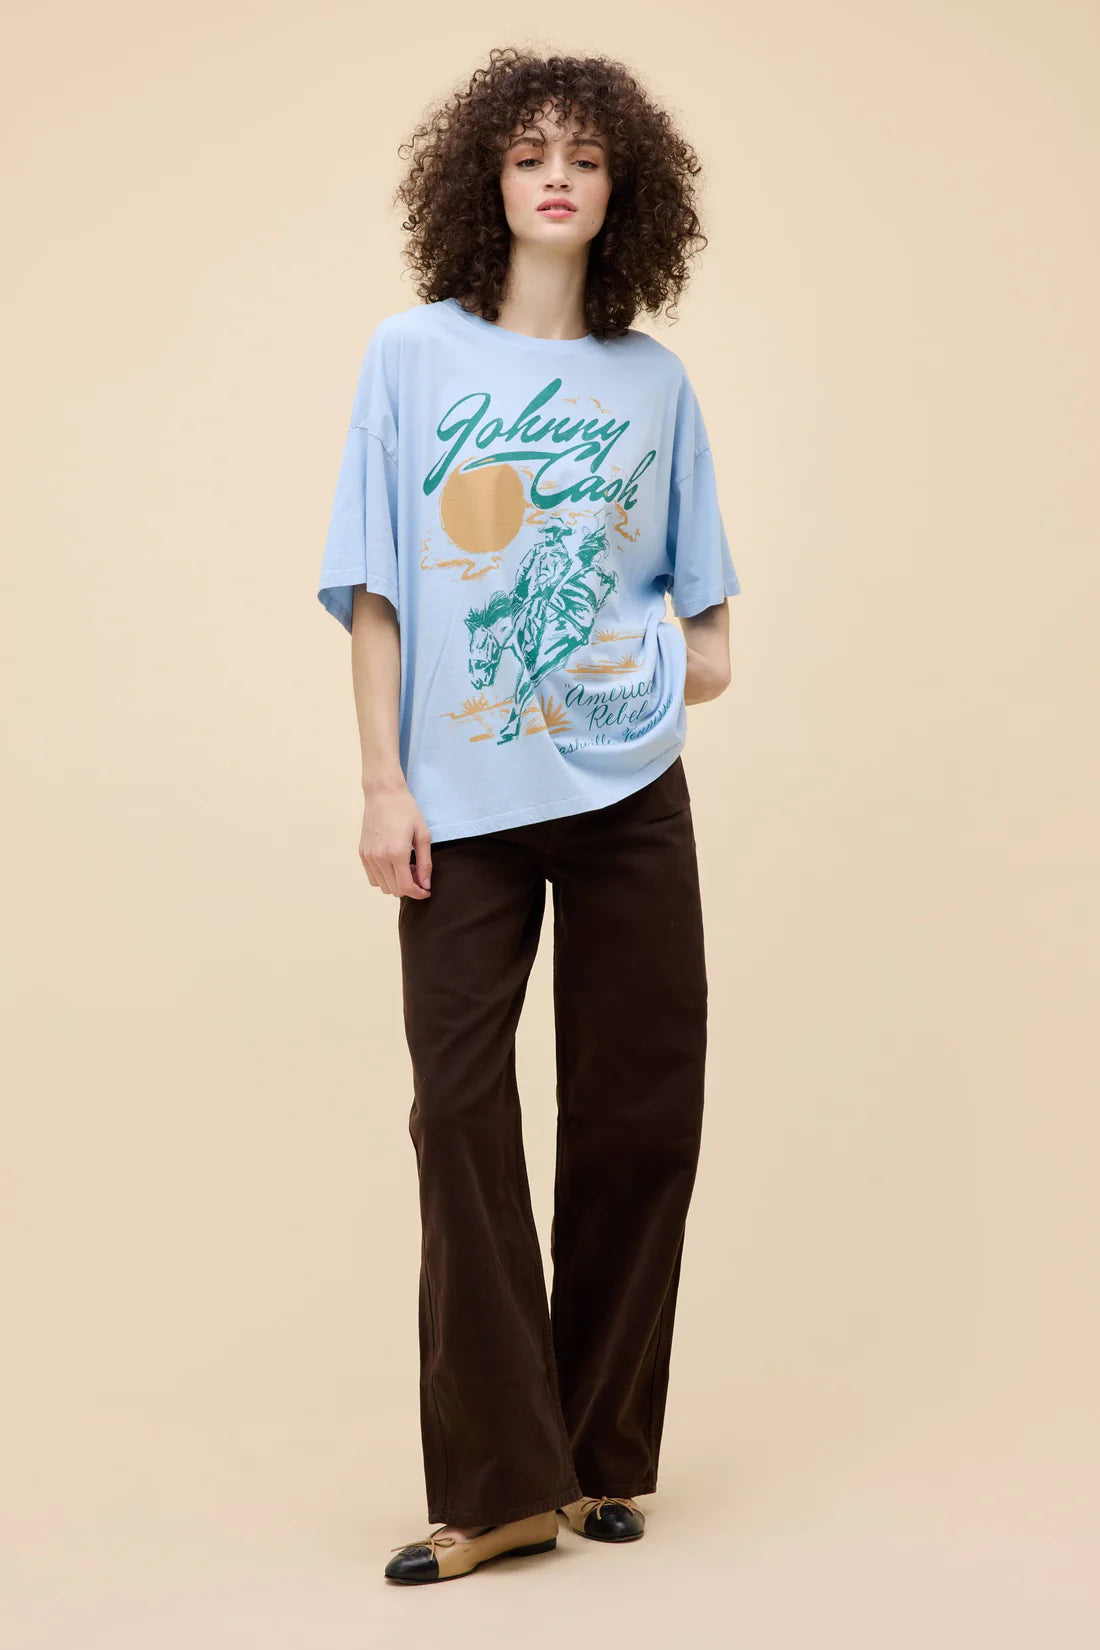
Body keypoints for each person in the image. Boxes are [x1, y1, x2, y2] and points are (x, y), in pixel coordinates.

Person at [317, 48, 741, 1586]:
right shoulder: (412, 356)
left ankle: (603, 1456)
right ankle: (500, 1485)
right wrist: (385, 781)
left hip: (629, 797)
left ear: (625, 191)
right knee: (458, 1111)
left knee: (640, 1109)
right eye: (527, 154)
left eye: (585, 156)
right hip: (463, 800)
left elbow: (711, 636)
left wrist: (647, 668)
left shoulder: (654, 385)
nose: (556, 176)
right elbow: (377, 589)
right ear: (484, 181)